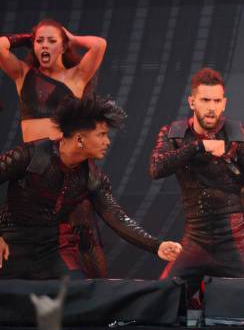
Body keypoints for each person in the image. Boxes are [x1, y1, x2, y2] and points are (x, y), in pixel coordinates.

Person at [0, 97, 182, 279]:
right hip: (9, 246)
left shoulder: (93, 178)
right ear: (80, 139)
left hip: (50, 251)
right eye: (102, 134)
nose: (107, 141)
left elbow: (117, 218)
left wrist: (156, 245)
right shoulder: (28, 156)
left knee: (77, 293)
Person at [149, 68, 244, 294]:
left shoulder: (238, 134)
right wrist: (198, 146)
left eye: (217, 100)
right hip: (196, 239)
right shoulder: (174, 133)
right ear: (192, 102)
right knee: (163, 295)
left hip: (236, 238)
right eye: (205, 100)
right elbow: (156, 169)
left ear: (224, 103)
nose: (211, 107)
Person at [0, 19, 109, 277]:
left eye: (51, 40)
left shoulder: (77, 77)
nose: (44, 45)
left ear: (63, 46)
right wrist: (25, 36)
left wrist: (72, 37)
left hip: (69, 171)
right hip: (34, 171)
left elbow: (99, 45)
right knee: (27, 238)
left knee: (84, 236)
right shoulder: (23, 74)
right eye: (39, 41)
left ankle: (103, 302)